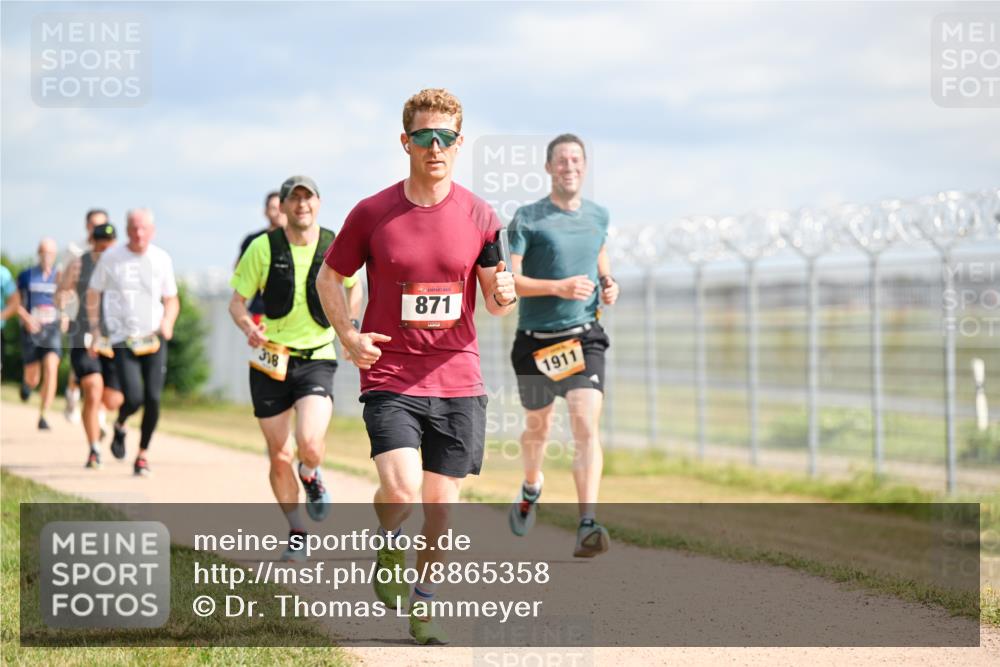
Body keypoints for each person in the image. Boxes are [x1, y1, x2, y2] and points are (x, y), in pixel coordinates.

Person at [317, 88, 516, 645]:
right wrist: (348, 336)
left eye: (447, 137)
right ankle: (387, 538)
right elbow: (330, 277)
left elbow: (497, 302)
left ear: (459, 143)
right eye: (425, 136)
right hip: (391, 375)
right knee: (401, 492)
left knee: (439, 510)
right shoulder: (373, 212)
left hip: (458, 376)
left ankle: (424, 603)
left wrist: (505, 290)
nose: (436, 147)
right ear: (405, 141)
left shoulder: (480, 215)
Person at [229, 175, 361, 562]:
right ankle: (297, 530)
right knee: (278, 455)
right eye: (294, 199)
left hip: (317, 355)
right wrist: (247, 326)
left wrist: (348, 327)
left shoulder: (334, 243)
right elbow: (237, 303)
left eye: (308, 198)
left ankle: (312, 475)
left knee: (310, 444)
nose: (301, 205)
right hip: (271, 358)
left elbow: (354, 286)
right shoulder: (262, 248)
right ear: (283, 207)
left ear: (318, 203)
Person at [506, 133, 620, 558]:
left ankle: (587, 523)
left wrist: (608, 285)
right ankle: (531, 486)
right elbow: (511, 282)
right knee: (538, 427)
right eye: (561, 160)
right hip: (535, 343)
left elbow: (600, 259)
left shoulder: (598, 216)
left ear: (584, 167)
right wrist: (560, 286)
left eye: (576, 159)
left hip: (583, 336)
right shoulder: (527, 218)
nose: (569, 166)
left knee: (585, 422)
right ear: (549, 168)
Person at [87, 208, 179, 476]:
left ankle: (142, 455)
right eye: (134, 228)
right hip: (122, 339)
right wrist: (94, 329)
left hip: (153, 338)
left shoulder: (161, 258)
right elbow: (94, 293)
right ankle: (121, 424)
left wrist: (168, 322)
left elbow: (171, 299)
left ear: (152, 231)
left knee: (153, 398)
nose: (139, 234)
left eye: (144, 229)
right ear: (127, 230)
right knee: (134, 397)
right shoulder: (112, 258)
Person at [58, 221, 124, 468]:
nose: (105, 250)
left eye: (110, 245)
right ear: (93, 243)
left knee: (113, 400)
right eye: (101, 245)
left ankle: (109, 424)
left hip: (114, 338)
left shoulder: (123, 266)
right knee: (93, 388)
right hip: (82, 336)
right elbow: (61, 292)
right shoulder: (79, 264)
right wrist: (63, 302)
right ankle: (94, 449)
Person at [61, 210, 110, 425]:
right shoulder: (75, 251)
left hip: (104, 321)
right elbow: (63, 285)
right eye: (92, 224)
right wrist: (62, 312)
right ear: (86, 225)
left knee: (102, 362)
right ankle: (73, 393)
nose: (96, 228)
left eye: (100, 224)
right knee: (81, 364)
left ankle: (99, 412)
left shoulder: (111, 251)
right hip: (77, 316)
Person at [16, 238, 63, 430]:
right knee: (33, 377)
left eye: (51, 253)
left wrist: (66, 315)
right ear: (38, 254)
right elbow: (15, 303)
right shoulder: (26, 276)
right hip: (31, 329)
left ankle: (44, 414)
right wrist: (27, 319)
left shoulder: (60, 277)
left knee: (52, 368)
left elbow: (67, 299)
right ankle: (27, 386)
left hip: (51, 329)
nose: (47, 257)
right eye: (44, 253)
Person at [236, 191, 288, 325]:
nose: (278, 213)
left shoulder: (299, 241)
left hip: (292, 312)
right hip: (262, 309)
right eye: (273, 208)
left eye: (281, 208)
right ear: (265, 211)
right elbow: (239, 270)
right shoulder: (253, 241)